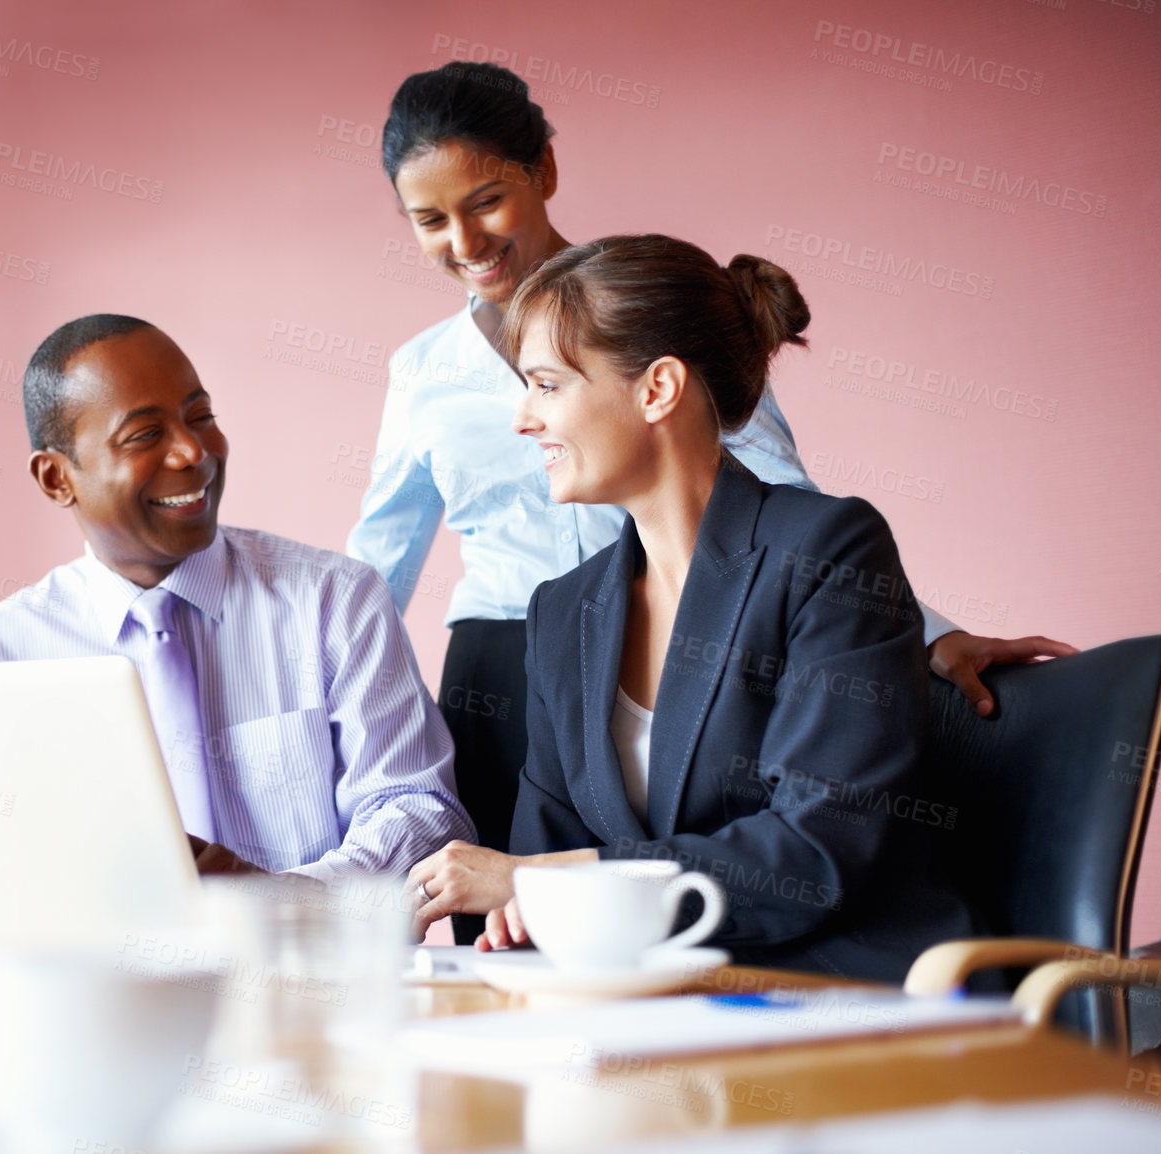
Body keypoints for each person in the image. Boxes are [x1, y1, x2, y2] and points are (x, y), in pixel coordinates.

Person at [350, 61, 1072, 937]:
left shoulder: (662, 321)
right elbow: (377, 562)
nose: (462, 241)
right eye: (429, 220)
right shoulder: (433, 391)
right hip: (530, 652)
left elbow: (792, 524)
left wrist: (925, 631)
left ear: (542, 170)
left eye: (545, 385)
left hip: (729, 664)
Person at [414, 236, 976, 981]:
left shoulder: (829, 551)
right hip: (650, 1018)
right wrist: (531, 912)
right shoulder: (562, 612)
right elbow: (545, 875)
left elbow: (816, 854)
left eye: (546, 386)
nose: (523, 418)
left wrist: (550, 882)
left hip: (840, 998)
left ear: (657, 389)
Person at [0, 314, 475, 881]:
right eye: (146, 435)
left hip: (314, 965)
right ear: (57, 479)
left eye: (200, 417)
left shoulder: (336, 600)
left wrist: (292, 903)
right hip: (102, 969)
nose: (191, 452)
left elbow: (419, 809)